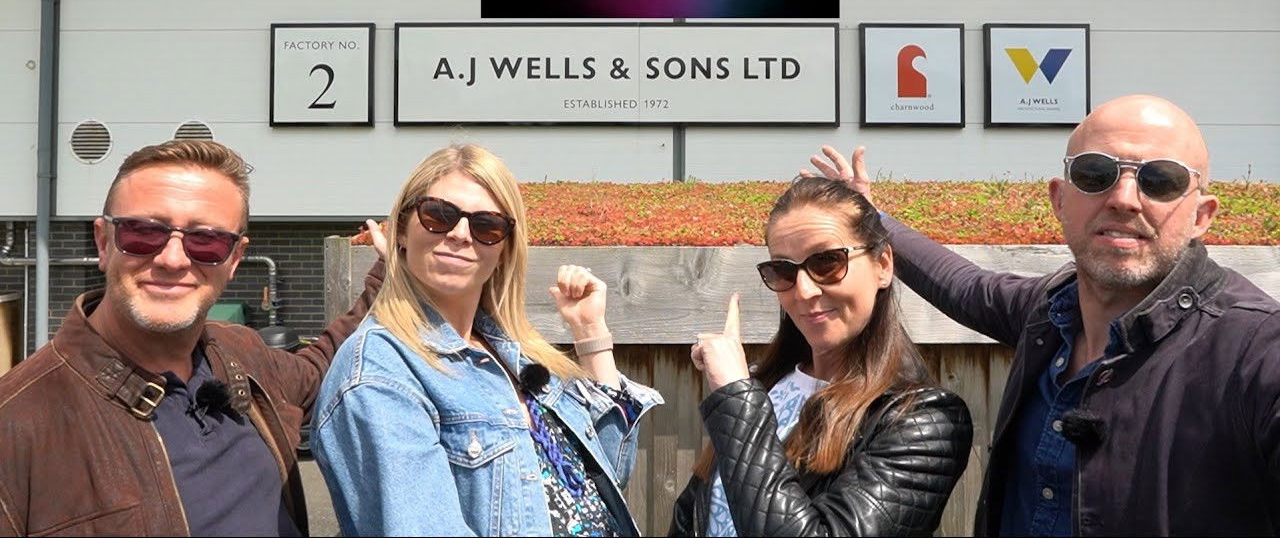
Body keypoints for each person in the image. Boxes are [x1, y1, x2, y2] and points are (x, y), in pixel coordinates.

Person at [807, 94, 1280, 536]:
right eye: (1096, 174)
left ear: (1202, 216)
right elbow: (962, 285)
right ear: (1059, 198)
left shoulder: (1255, 351)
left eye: (1161, 180)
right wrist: (872, 216)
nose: (1125, 197)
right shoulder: (1046, 313)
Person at [0, 139, 385, 536]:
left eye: (206, 241)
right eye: (143, 232)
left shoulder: (242, 355)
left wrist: (390, 273)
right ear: (103, 242)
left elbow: (325, 364)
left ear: (234, 259)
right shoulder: (17, 423)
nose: (172, 259)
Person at [311, 143, 662, 536]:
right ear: (403, 231)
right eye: (438, 216)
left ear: (503, 249)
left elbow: (600, 485)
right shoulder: (380, 372)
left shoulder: (513, 354)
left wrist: (591, 335)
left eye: (486, 226)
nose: (461, 235)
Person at [669, 176, 973, 537]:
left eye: (828, 262)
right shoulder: (764, 389)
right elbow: (694, 517)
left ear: (883, 265)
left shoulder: (922, 422)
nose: (805, 290)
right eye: (783, 270)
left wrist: (736, 399)